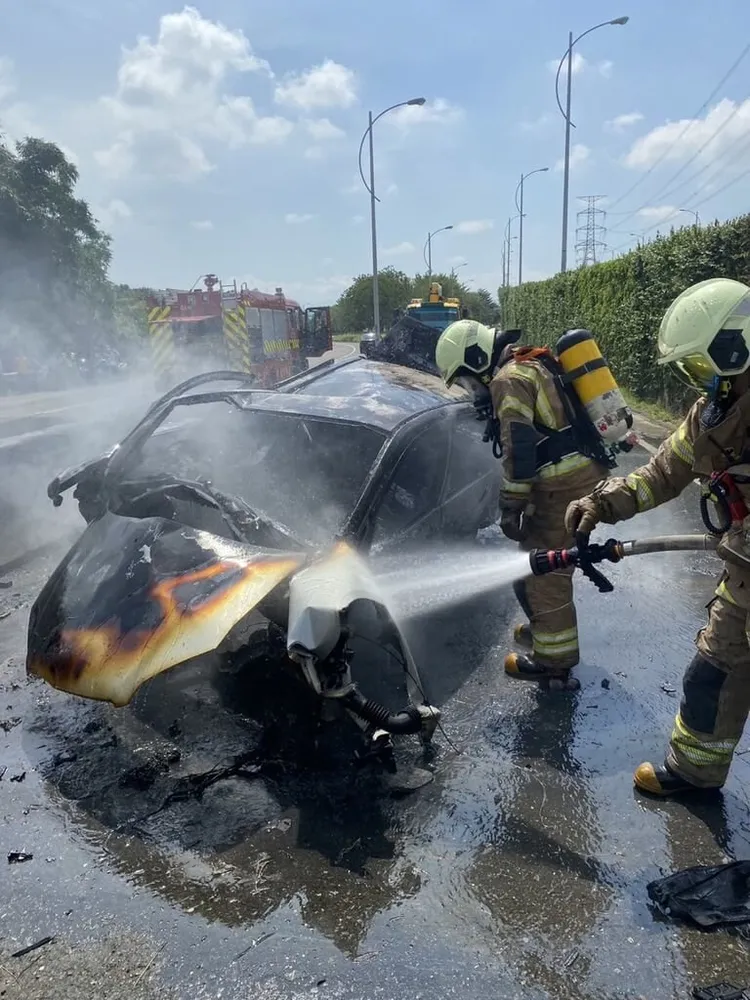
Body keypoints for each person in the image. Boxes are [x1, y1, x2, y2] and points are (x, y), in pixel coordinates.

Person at [566, 276, 750, 796]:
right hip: (743, 582)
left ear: (735, 346)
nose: (702, 381)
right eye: (693, 369)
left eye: (703, 364)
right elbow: (663, 473)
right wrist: (601, 503)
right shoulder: (712, 414)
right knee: (710, 677)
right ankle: (694, 774)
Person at [435, 319, 610, 690]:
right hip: (575, 476)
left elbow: (519, 447)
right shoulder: (528, 363)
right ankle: (544, 631)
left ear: (477, 358)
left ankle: (554, 664)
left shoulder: (507, 380)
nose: (471, 390)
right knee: (535, 565)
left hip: (563, 485)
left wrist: (510, 506)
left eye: (467, 380)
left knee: (543, 572)